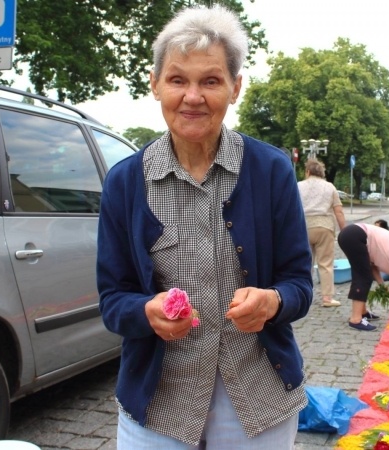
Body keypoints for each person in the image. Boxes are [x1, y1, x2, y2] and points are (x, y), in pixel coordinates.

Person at [96, 6, 312, 449]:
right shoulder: (124, 182)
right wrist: (145, 314)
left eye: (210, 81)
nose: (192, 96)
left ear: (235, 88)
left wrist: (272, 301)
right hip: (158, 404)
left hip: (258, 398)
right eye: (178, 80)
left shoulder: (270, 171)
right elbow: (112, 299)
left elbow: (299, 285)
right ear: (155, 84)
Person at [298, 159, 347, 307]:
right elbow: (338, 211)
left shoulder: (298, 186)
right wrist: (345, 231)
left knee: (305, 263)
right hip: (325, 226)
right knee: (325, 263)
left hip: (303, 227)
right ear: (321, 173)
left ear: (307, 172)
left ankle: (303, 295)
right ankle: (327, 298)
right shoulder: (330, 187)